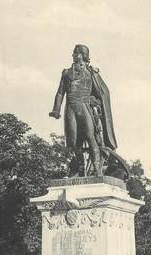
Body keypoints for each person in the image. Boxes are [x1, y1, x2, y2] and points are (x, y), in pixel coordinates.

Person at [49, 44, 117, 176]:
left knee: (91, 137)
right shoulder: (66, 73)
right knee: (74, 141)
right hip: (71, 108)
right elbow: (60, 93)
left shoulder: (91, 72)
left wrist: (96, 102)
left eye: (75, 53)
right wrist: (56, 110)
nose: (73, 55)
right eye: (74, 53)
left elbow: (103, 92)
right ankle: (81, 169)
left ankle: (97, 169)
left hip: (85, 106)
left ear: (83, 55)